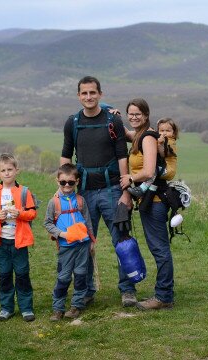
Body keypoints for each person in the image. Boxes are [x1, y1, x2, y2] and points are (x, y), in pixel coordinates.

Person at [60, 76, 137, 307]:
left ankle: (128, 290)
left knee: (122, 240)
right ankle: (86, 291)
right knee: (82, 243)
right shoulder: (72, 123)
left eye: (93, 93)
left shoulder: (112, 121)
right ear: (78, 96)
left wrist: (125, 191)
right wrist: (62, 188)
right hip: (83, 192)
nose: (88, 97)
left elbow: (122, 155)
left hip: (113, 189)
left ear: (100, 94)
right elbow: (66, 155)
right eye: (84, 93)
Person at [119, 98, 174, 310]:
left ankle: (163, 297)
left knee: (160, 249)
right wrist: (109, 111)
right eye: (130, 114)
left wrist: (131, 178)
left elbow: (149, 171)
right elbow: (126, 132)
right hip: (148, 200)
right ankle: (164, 294)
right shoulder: (139, 136)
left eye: (137, 114)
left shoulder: (148, 137)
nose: (133, 117)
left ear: (146, 114)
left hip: (156, 201)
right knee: (158, 248)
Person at [0, 153, 38, 322]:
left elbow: (32, 213)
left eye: (10, 169)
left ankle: (26, 308)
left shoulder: (24, 192)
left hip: (20, 242)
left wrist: (20, 214)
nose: (7, 173)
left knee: (22, 274)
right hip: (2, 242)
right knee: (5, 274)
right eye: (3, 170)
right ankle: (6, 308)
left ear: (16, 171)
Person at [44, 164, 95, 321]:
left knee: (81, 276)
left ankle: (76, 306)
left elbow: (87, 221)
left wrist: (92, 240)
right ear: (57, 181)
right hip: (66, 247)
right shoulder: (54, 202)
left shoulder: (80, 200)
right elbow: (47, 223)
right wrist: (62, 234)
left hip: (82, 245)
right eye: (63, 182)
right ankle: (58, 308)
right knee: (64, 277)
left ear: (77, 182)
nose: (67, 185)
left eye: (71, 182)